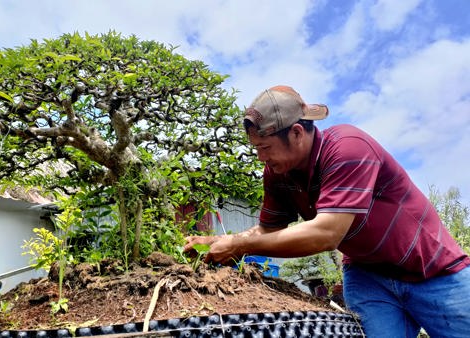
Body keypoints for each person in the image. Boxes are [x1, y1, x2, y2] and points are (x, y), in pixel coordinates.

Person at [184, 85, 470, 337]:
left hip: (432, 271)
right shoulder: (277, 173)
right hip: (368, 276)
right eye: (256, 148)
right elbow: (267, 231)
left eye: (265, 147)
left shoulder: (347, 148)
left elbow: (327, 233)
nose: (261, 157)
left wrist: (239, 244)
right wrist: (218, 242)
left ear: (296, 133)